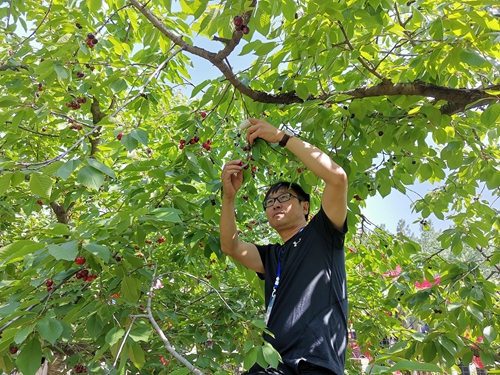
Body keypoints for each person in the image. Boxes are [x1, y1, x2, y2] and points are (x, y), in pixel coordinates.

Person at [220, 118, 348, 375]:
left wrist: (282, 137)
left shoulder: (323, 233)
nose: (275, 204)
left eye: (284, 197)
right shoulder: (272, 256)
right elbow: (230, 246)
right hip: (272, 366)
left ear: (305, 206)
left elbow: (337, 178)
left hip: (317, 362)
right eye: (269, 202)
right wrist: (228, 197)